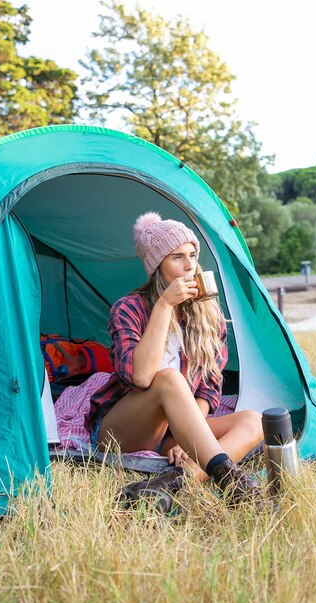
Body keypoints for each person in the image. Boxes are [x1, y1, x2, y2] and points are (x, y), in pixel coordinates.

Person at [84, 212, 264, 507]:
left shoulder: (208, 315)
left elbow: (209, 385)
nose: (190, 265)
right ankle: (233, 483)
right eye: (177, 257)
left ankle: (172, 483)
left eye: (192, 255)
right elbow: (140, 377)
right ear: (158, 266)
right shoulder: (128, 309)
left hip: (171, 431)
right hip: (124, 429)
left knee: (254, 421)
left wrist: (188, 436)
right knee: (168, 378)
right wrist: (165, 304)